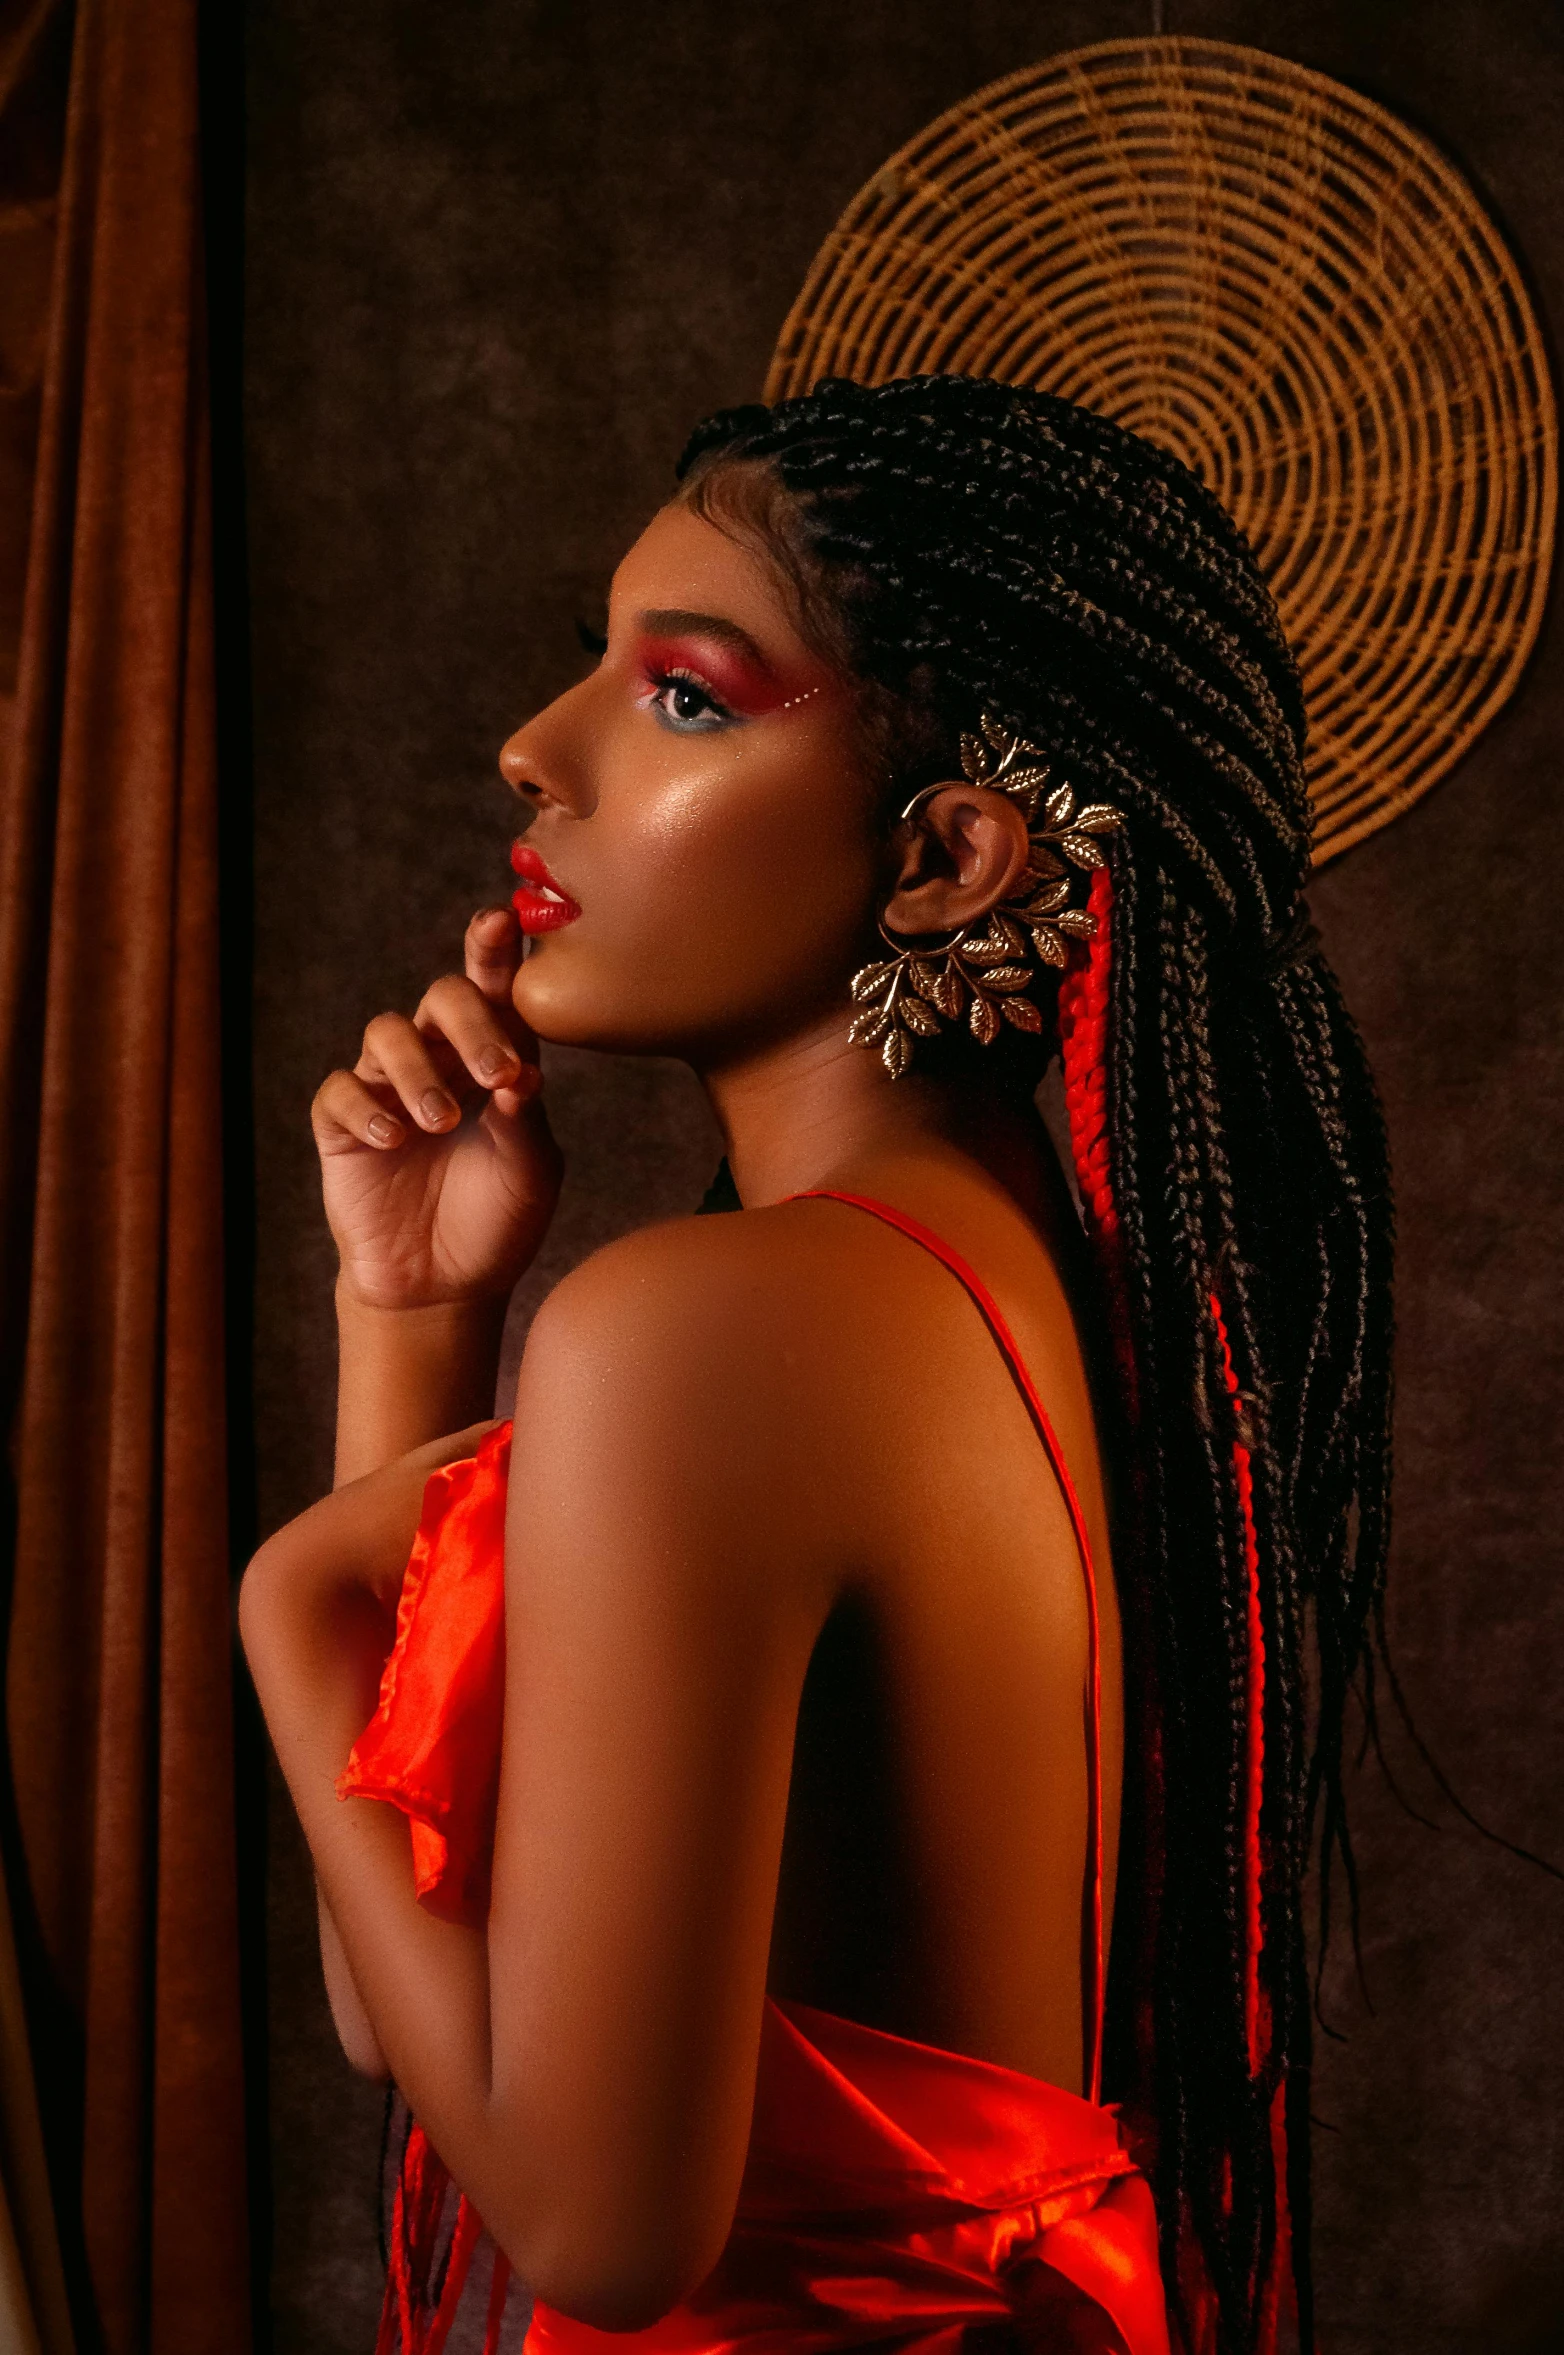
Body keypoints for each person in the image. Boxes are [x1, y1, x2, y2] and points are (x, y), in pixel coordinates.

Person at [240, 376, 1392, 2355]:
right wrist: (410, 1308)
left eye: (681, 694)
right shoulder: (1000, 1290)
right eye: (585, 673)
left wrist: (283, 1598)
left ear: (944, 855)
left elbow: (598, 2224)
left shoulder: (712, 1331)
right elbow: (428, 2002)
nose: (532, 751)